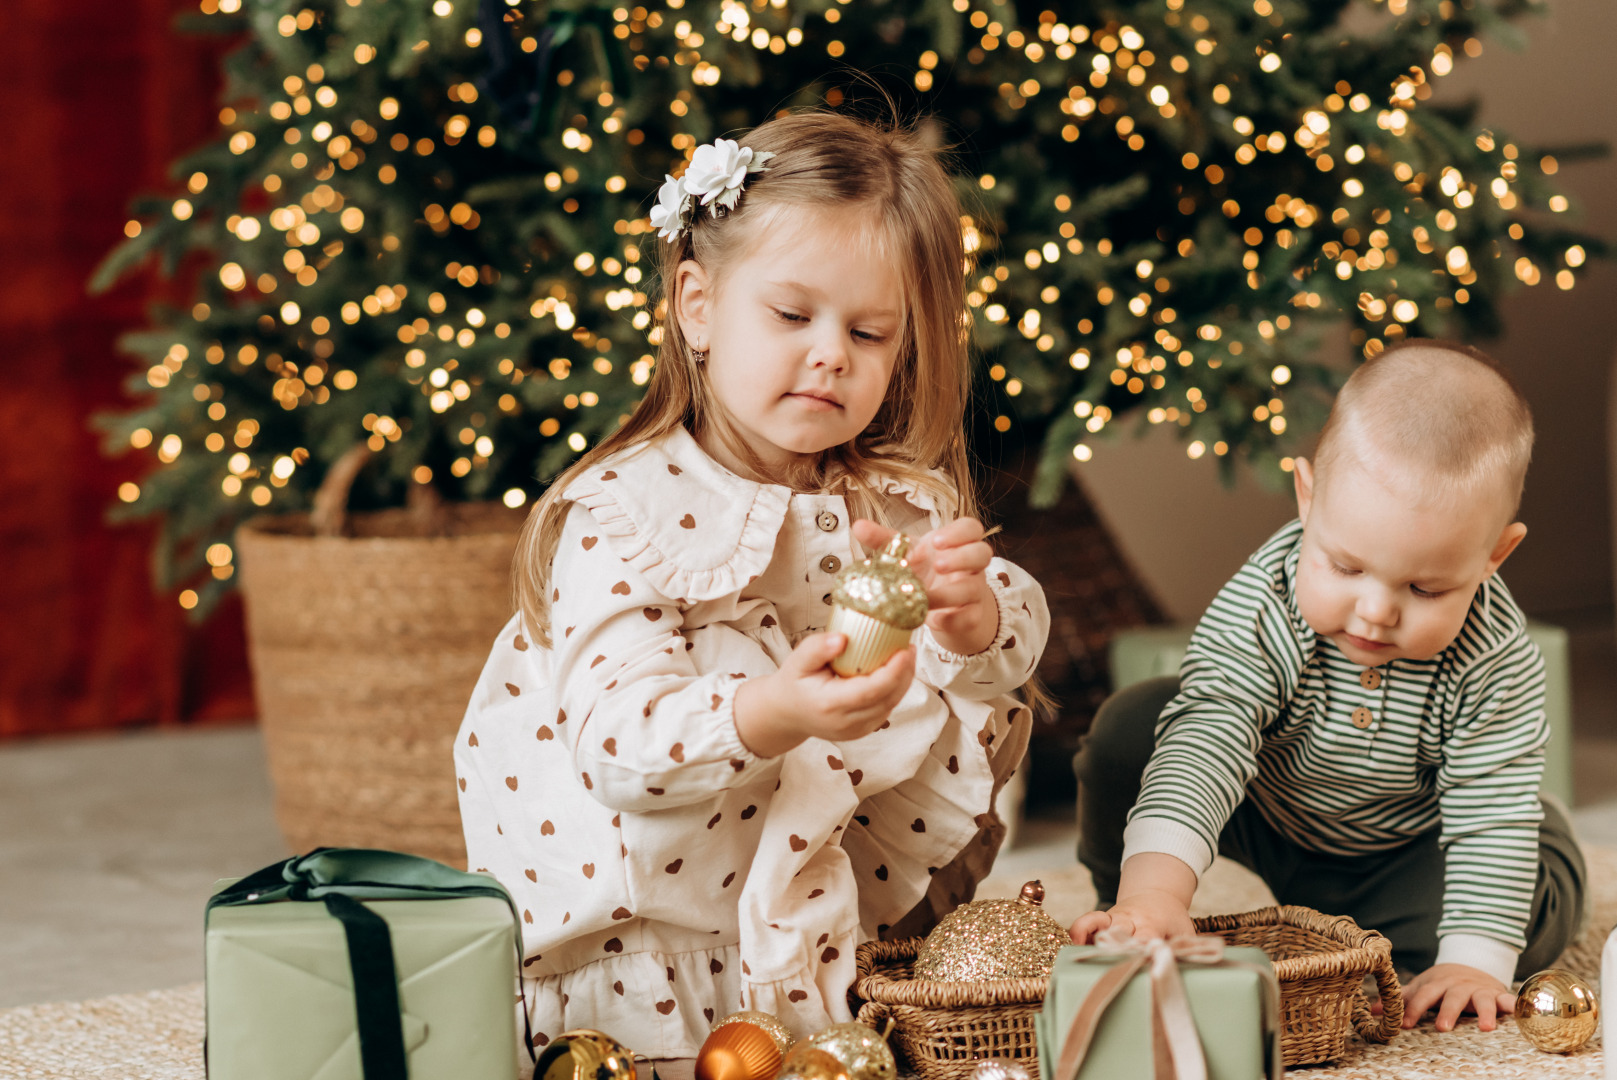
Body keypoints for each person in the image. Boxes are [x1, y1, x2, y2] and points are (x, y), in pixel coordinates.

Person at [455, 111, 1049, 1059]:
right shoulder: (625, 516)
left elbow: (1011, 632)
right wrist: (775, 709)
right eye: (791, 315)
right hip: (654, 948)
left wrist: (969, 621)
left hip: (824, 922)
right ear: (696, 305)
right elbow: (621, 744)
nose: (831, 353)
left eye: (869, 331)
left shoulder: (887, 499)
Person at [1070, 340, 1585, 1035]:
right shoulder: (1264, 602)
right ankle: (1125, 911)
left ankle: (1429, 935)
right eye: (1345, 568)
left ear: (1493, 554)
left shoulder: (1493, 655)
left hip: (1411, 841)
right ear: (1307, 498)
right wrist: (1154, 892)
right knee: (1136, 726)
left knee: (1505, 912)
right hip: (1266, 810)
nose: (1374, 611)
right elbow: (1210, 738)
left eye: (1424, 586)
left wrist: (1475, 961)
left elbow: (1487, 816)